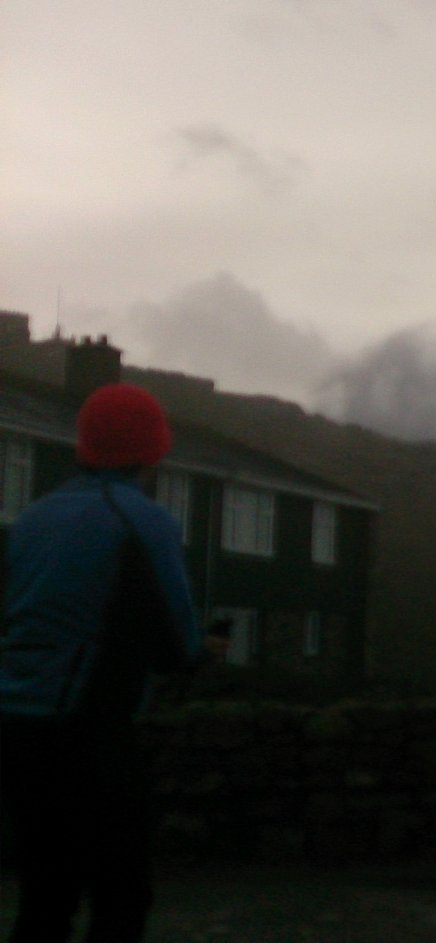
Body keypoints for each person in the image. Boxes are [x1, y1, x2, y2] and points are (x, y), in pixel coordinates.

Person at [0, 383, 204, 943]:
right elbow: (177, 649)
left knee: (44, 897)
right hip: (89, 729)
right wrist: (206, 650)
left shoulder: (33, 518)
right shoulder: (143, 520)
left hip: (16, 723)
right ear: (152, 451)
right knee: (121, 893)